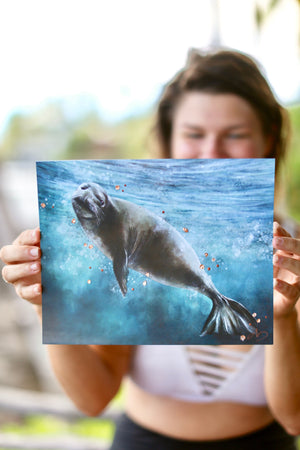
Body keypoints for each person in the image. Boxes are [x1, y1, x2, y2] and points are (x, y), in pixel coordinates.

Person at [1, 49, 300, 449]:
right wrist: (46, 303)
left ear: (266, 140)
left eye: (235, 134)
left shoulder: (292, 254)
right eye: (194, 134)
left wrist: (284, 319)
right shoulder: (120, 223)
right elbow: (93, 398)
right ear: (170, 138)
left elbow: (295, 418)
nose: (211, 151)